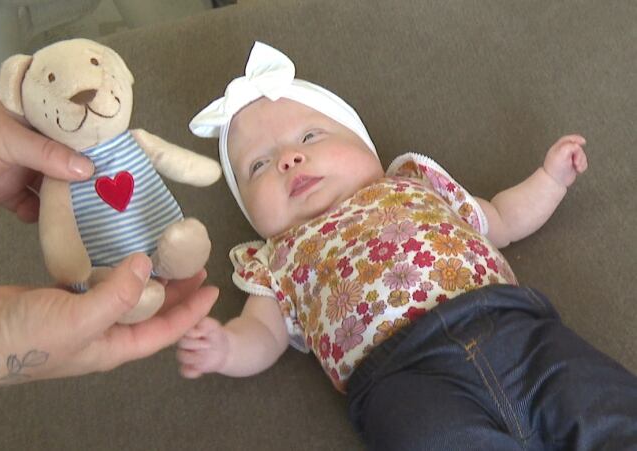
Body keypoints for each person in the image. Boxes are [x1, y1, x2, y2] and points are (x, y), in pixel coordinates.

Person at [178, 42, 637, 450]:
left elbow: (501, 219)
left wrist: (549, 180)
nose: (288, 159)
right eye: (258, 165)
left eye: (309, 137)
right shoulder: (275, 260)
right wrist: (227, 348)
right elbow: (264, 334)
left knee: (600, 404)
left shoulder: (413, 183)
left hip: (512, 328)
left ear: (365, 147)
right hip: (404, 380)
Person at [0, 67, 219, 411]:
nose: (86, 94)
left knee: (180, 242)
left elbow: (180, 162)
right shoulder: (58, 177)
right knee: (120, 281)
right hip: (108, 267)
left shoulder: (134, 142)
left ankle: (179, 250)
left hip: (161, 235)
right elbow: (58, 230)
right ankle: (139, 291)